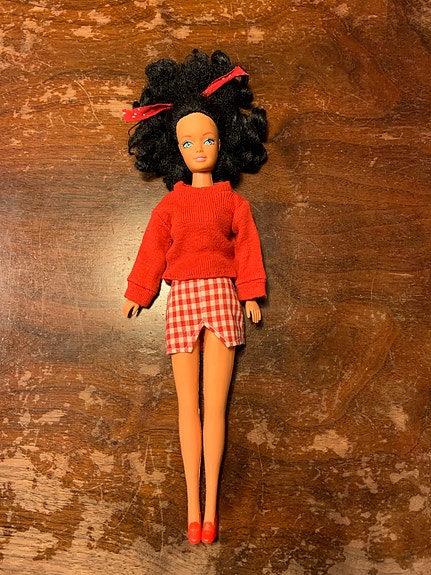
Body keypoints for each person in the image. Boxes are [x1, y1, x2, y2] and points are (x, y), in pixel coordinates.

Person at [122, 49, 267, 544]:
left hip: (223, 296)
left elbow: (247, 248)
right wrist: (139, 290)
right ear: (175, 149)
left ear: (222, 141)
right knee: (188, 406)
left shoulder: (234, 201)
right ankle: (191, 505)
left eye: (207, 139)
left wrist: (250, 292)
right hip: (182, 297)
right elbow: (152, 248)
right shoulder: (170, 205)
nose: (199, 149)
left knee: (216, 406)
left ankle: (212, 508)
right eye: (188, 142)